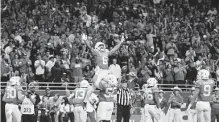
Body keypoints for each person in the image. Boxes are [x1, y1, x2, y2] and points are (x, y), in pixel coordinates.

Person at [82, 33, 124, 103]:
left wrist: (121, 42)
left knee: (114, 82)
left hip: (106, 71)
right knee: (94, 85)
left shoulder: (106, 53)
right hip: (100, 70)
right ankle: (86, 99)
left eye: (102, 46)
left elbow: (115, 49)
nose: (102, 47)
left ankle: (114, 98)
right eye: (100, 46)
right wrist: (85, 40)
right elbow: (89, 47)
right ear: (97, 47)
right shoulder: (96, 52)